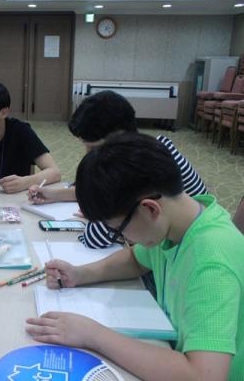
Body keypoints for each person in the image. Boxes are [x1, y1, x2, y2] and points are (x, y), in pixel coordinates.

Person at [26, 133, 244, 381]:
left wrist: (93, 334)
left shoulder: (212, 263)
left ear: (150, 208)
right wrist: (80, 274)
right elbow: (136, 260)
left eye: (118, 229)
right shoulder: (178, 223)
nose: (122, 237)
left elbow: (203, 376)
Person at [28, 90, 207, 249]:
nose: (89, 155)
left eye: (94, 148)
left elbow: (93, 239)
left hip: (183, 248)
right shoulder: (153, 147)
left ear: (120, 137)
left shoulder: (133, 168)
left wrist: (98, 215)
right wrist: (55, 195)